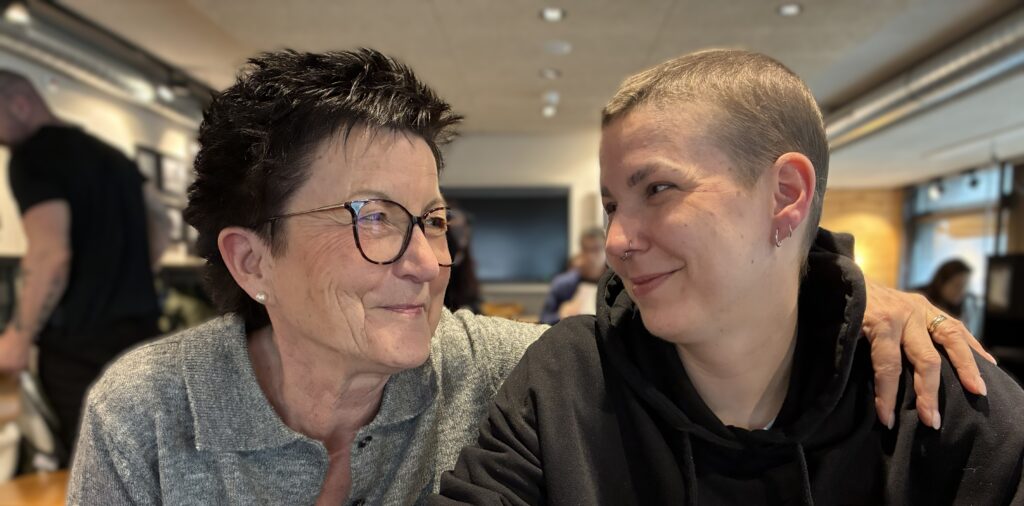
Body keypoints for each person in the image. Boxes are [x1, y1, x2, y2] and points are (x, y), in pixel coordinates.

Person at [68, 49, 988, 504]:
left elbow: (707, 322)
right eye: (375, 218)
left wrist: (860, 304)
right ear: (249, 259)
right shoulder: (150, 413)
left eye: (433, 221)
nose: (428, 263)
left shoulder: (505, 371)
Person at [436, 49, 1024, 504]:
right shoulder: (567, 380)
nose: (616, 242)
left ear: (785, 195)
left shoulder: (939, 393)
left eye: (658, 189)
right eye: (613, 206)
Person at [0, 70, 170, 458]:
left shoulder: (31, 157)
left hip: (79, 348)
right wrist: (132, 273)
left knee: (92, 468)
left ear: (20, 104)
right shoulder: (114, 156)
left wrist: (17, 338)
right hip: (141, 336)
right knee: (146, 458)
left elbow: (50, 254)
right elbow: (160, 223)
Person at [539, 227, 607, 324]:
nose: (590, 256)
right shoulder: (562, 284)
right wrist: (560, 315)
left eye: (596, 249)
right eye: (586, 249)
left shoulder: (616, 283)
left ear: (606, 251)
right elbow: (544, 319)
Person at [920, 259, 983, 336]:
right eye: (957, 285)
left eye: (965, 286)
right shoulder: (921, 298)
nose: (962, 291)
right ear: (941, 282)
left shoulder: (968, 304)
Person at [444, 205, 482, 313]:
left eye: (465, 226)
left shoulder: (464, 258)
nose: (464, 232)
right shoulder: (443, 259)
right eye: (457, 229)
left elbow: (471, 296)